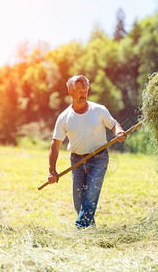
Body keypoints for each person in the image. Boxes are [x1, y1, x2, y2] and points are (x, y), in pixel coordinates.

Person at [47, 75, 127, 229]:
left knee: (90, 195)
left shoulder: (99, 110)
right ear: (70, 92)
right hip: (77, 161)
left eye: (85, 91)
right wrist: (52, 171)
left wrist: (119, 132)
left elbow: (114, 124)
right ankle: (91, 230)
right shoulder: (64, 117)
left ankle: (80, 229)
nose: (84, 94)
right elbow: (55, 144)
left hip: (99, 159)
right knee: (79, 202)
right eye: (80, 92)